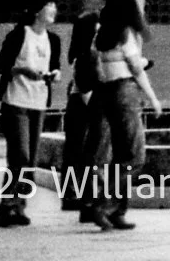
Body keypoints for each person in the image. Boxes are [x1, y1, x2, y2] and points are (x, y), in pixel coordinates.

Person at [88, 0, 161, 231]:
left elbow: (95, 64)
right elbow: (136, 69)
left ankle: (118, 211)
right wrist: (152, 98)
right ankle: (104, 204)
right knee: (134, 156)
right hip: (125, 92)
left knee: (119, 158)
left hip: (105, 93)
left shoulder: (101, 33)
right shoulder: (127, 33)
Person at [0, 0, 62, 226]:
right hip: (16, 100)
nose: (53, 9)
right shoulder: (20, 35)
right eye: (49, 5)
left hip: (39, 102)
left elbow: (56, 66)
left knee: (30, 158)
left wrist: (55, 74)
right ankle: (7, 205)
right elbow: (0, 65)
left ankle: (20, 205)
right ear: (37, 10)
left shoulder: (53, 39)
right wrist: (22, 70)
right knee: (19, 155)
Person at [59, 11, 107, 217]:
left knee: (76, 151)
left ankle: (75, 196)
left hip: (82, 101)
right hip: (84, 102)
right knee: (83, 152)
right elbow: (85, 85)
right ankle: (78, 196)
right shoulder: (86, 55)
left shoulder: (86, 54)